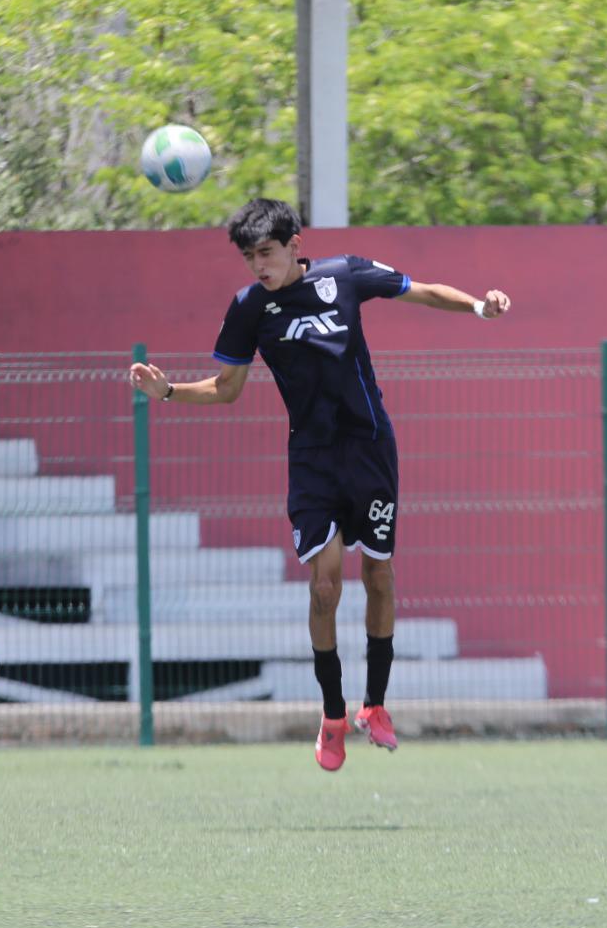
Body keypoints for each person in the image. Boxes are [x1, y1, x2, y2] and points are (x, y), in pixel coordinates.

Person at [128, 198, 511, 771]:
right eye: (250, 256)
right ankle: (333, 714)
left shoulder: (346, 276)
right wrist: (168, 392)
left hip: (371, 449)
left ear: (294, 246)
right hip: (312, 459)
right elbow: (228, 387)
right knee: (325, 586)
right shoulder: (249, 308)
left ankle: (374, 706)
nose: (260, 266)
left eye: (268, 253)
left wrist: (481, 306)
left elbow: (421, 289)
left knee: (379, 576)